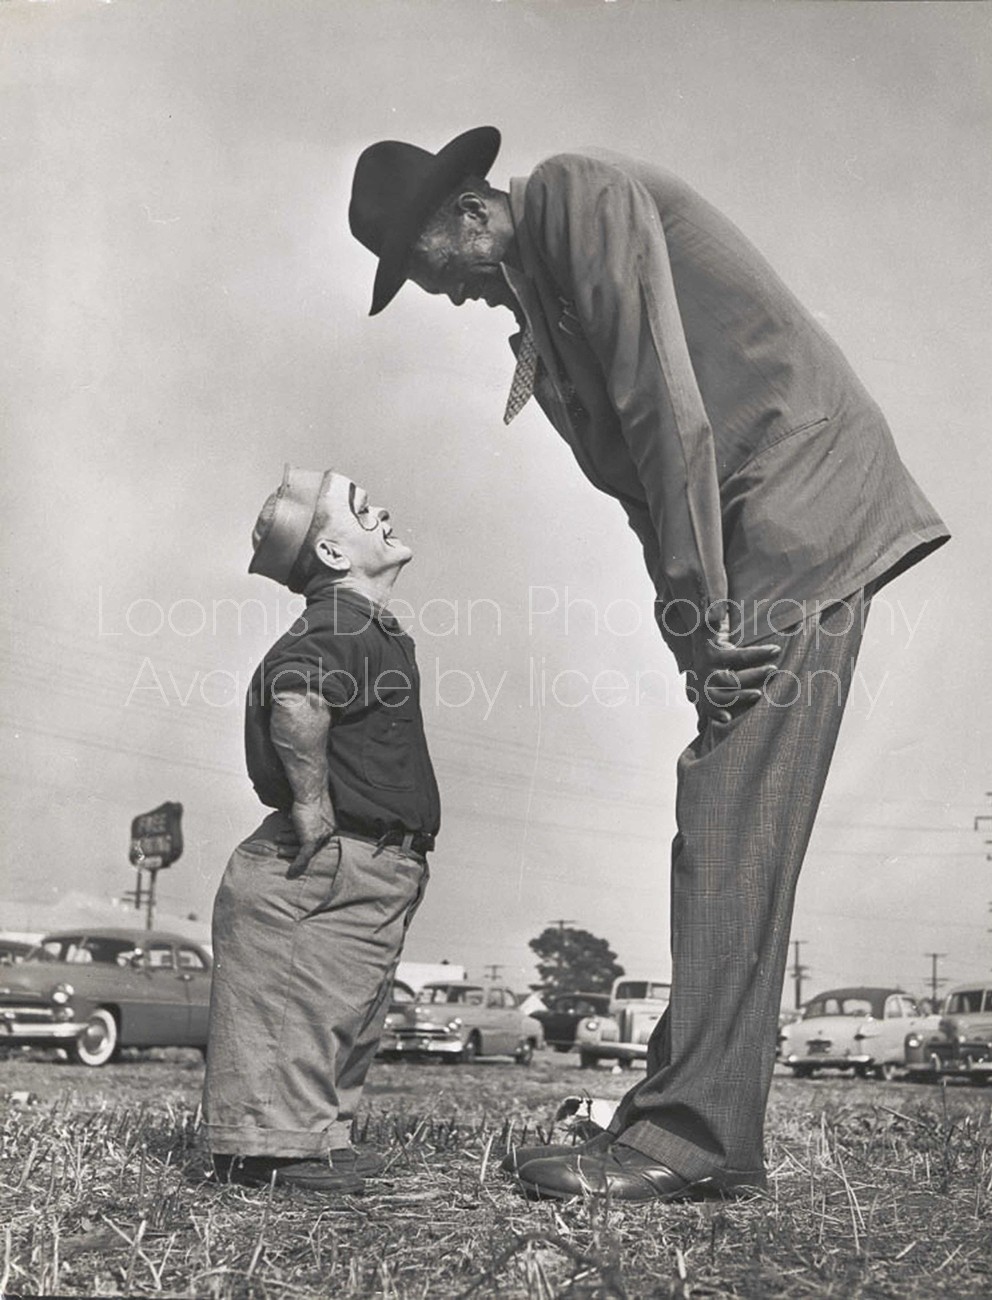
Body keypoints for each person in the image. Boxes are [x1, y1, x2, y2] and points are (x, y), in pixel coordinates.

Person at [347, 128, 949, 1202]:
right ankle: (682, 1116)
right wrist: (692, 634)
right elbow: (637, 487)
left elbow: (669, 413)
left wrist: (708, 609)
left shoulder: (578, 198)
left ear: (472, 215)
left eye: (437, 272)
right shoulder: (538, 309)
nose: (450, 298)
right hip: (747, 536)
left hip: (797, 510)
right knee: (733, 812)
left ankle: (688, 1136)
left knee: (727, 807)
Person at [202, 465, 439, 1193]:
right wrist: (310, 804)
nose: (383, 511)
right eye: (363, 509)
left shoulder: (364, 625)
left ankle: (315, 1141)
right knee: (293, 1010)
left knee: (337, 1010)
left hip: (369, 862)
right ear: (334, 556)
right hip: (324, 858)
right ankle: (270, 1154)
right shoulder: (340, 622)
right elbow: (298, 694)